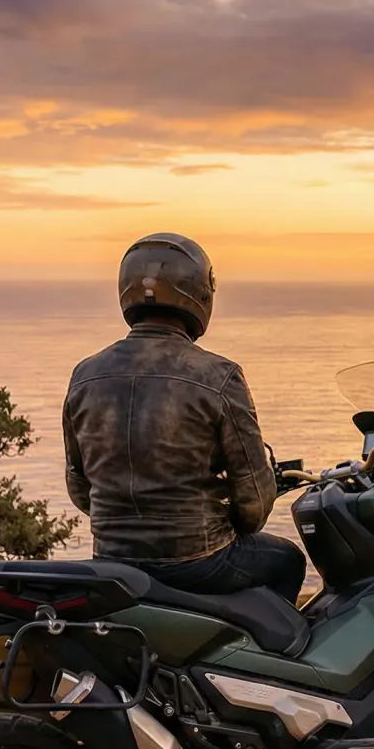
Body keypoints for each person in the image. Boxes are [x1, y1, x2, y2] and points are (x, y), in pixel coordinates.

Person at [61, 233, 307, 604]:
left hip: (112, 560)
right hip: (194, 559)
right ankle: (268, 658)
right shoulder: (218, 376)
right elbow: (254, 503)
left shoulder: (85, 375)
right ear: (200, 293)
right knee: (287, 560)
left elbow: (79, 484)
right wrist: (228, 523)